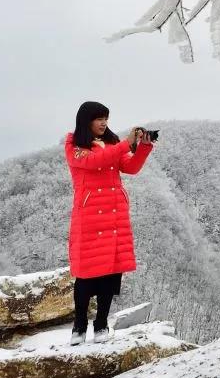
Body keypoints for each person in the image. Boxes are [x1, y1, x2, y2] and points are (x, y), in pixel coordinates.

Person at [63, 101, 154, 345]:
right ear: (86, 120)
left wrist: (143, 147)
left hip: (115, 215)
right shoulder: (75, 146)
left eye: (106, 118)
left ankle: (101, 323)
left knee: (112, 272)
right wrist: (126, 143)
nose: (103, 123)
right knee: (86, 274)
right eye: (98, 118)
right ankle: (79, 324)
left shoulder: (112, 143)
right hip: (90, 216)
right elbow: (96, 162)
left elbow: (130, 167)